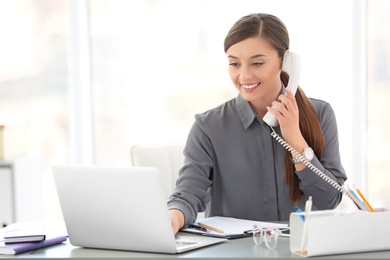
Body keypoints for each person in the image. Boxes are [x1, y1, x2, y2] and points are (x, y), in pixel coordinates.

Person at [168, 13, 347, 234]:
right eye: (234, 64)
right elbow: (188, 194)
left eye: (257, 63)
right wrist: (173, 217)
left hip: (302, 250)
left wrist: (295, 140)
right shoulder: (208, 127)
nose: (244, 76)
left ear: (286, 62)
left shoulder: (320, 114)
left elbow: (330, 200)